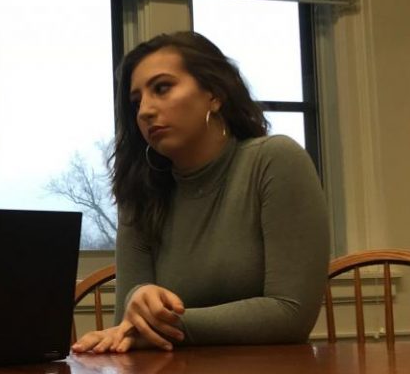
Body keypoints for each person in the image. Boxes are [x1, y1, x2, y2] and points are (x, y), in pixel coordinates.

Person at [73, 31, 329, 354]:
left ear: (215, 94)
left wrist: (166, 324)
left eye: (162, 88)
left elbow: (291, 314)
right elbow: (129, 324)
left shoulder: (274, 161)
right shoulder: (139, 190)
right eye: (136, 102)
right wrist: (138, 300)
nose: (144, 111)